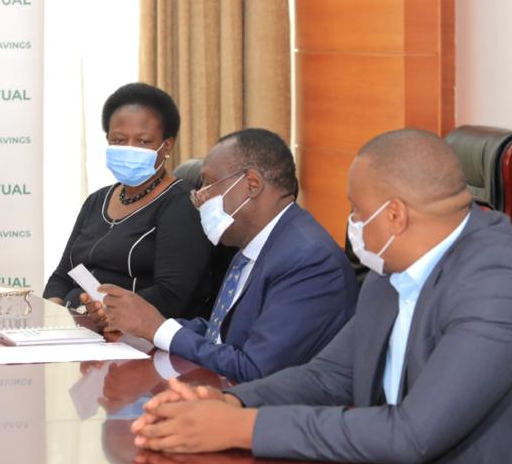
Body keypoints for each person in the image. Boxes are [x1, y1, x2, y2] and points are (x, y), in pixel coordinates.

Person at [130, 129, 512, 464]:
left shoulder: (503, 279)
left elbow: (412, 434)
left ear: (395, 215)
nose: (352, 223)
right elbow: (329, 376)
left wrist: (241, 428)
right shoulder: (391, 267)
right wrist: (230, 402)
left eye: (356, 209)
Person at [94, 128, 358, 383]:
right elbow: (220, 334)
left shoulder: (309, 259)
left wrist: (157, 328)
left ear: (252, 184)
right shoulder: (254, 247)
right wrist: (142, 323)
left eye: (209, 183)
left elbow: (255, 370)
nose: (199, 197)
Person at [44, 83, 215, 319]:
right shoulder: (97, 200)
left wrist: (105, 314)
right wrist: (51, 320)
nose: (129, 148)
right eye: (119, 140)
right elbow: (62, 276)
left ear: (167, 145)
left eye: (143, 141)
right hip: (75, 325)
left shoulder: (182, 205)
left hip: (131, 332)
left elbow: (171, 295)